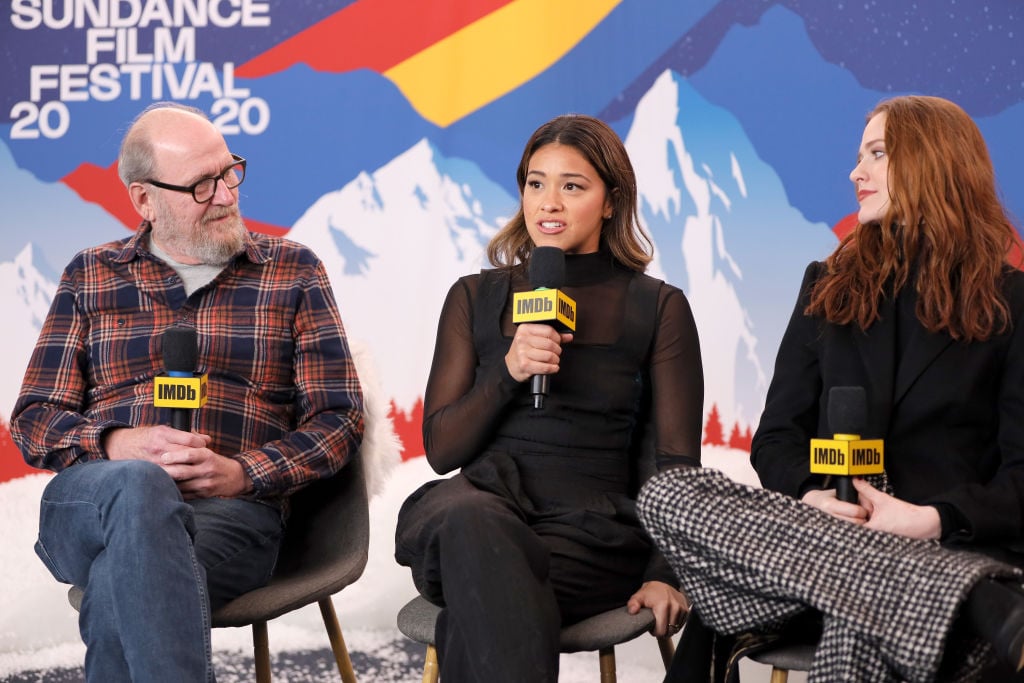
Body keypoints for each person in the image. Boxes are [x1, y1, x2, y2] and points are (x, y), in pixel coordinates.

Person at [638, 94, 1024, 682]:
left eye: (876, 153)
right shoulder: (826, 286)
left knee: (859, 623)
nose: (855, 172)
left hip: (944, 547)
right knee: (670, 496)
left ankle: (937, 583)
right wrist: (812, 499)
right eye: (859, 155)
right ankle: (971, 599)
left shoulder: (1012, 302)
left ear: (933, 163)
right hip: (818, 551)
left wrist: (931, 520)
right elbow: (775, 441)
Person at [11, 102, 364, 682]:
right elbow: (33, 418)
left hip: (231, 516)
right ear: (144, 199)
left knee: (117, 584)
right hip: (93, 503)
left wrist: (245, 473)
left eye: (229, 172)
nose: (225, 195)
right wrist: (118, 443)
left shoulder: (292, 271)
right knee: (139, 484)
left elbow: (339, 418)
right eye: (201, 185)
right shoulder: (91, 275)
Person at [394, 113, 704, 681]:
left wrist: (666, 572)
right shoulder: (474, 296)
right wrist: (509, 369)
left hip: (588, 533)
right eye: (536, 183)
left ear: (611, 202)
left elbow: (676, 464)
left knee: (478, 603)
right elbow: (441, 449)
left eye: (572, 185)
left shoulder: (657, 307)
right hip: (478, 505)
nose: (549, 203)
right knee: (469, 521)